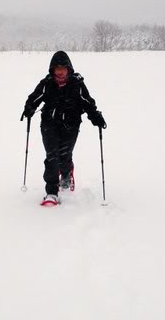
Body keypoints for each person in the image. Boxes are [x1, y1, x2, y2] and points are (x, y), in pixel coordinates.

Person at [20, 51, 107, 206]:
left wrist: (96, 117)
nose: (60, 72)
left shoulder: (77, 84)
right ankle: (52, 192)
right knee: (52, 156)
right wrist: (29, 108)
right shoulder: (47, 83)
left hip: (71, 125)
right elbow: (34, 97)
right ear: (52, 70)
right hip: (49, 124)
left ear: (69, 69)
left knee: (64, 156)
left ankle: (66, 174)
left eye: (63, 68)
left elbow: (88, 103)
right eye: (57, 68)